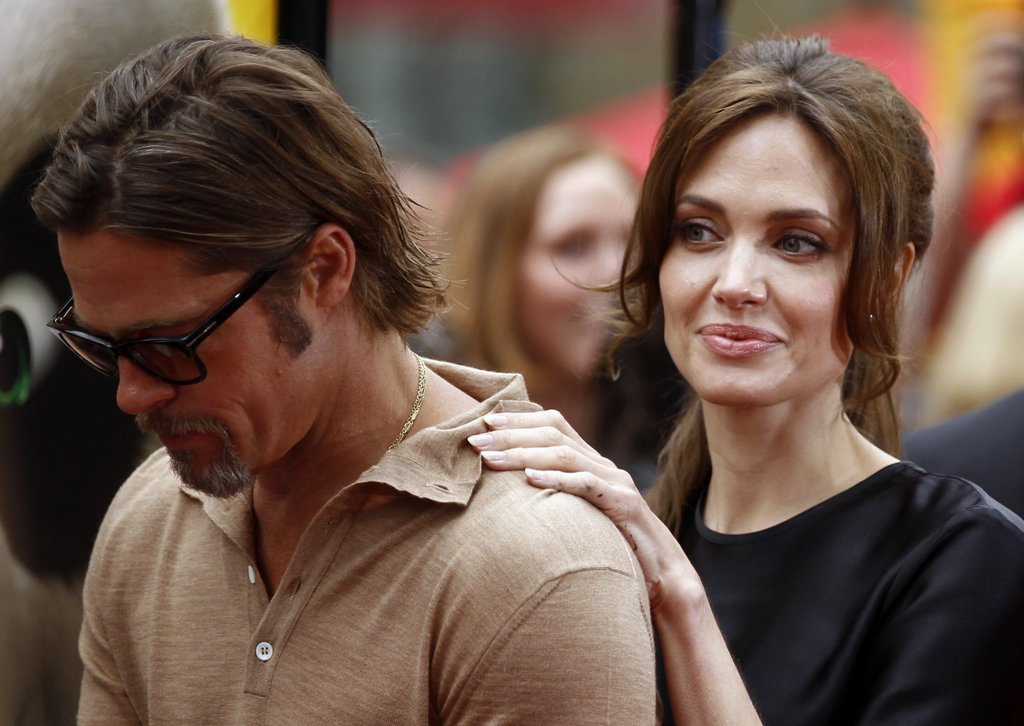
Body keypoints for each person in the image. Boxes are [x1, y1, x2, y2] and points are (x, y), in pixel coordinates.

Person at [30, 34, 656, 724]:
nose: (132, 394)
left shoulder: (537, 568)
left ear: (324, 269)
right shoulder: (149, 516)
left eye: (170, 344)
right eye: (102, 344)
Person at [467, 36, 1024, 725]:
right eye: (699, 232)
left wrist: (678, 596)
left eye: (796, 242)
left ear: (887, 279)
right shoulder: (615, 537)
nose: (734, 283)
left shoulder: (964, 557)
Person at [441, 126, 678, 485]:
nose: (617, 274)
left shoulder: (679, 406)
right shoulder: (431, 428)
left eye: (633, 243)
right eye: (574, 246)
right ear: (493, 274)